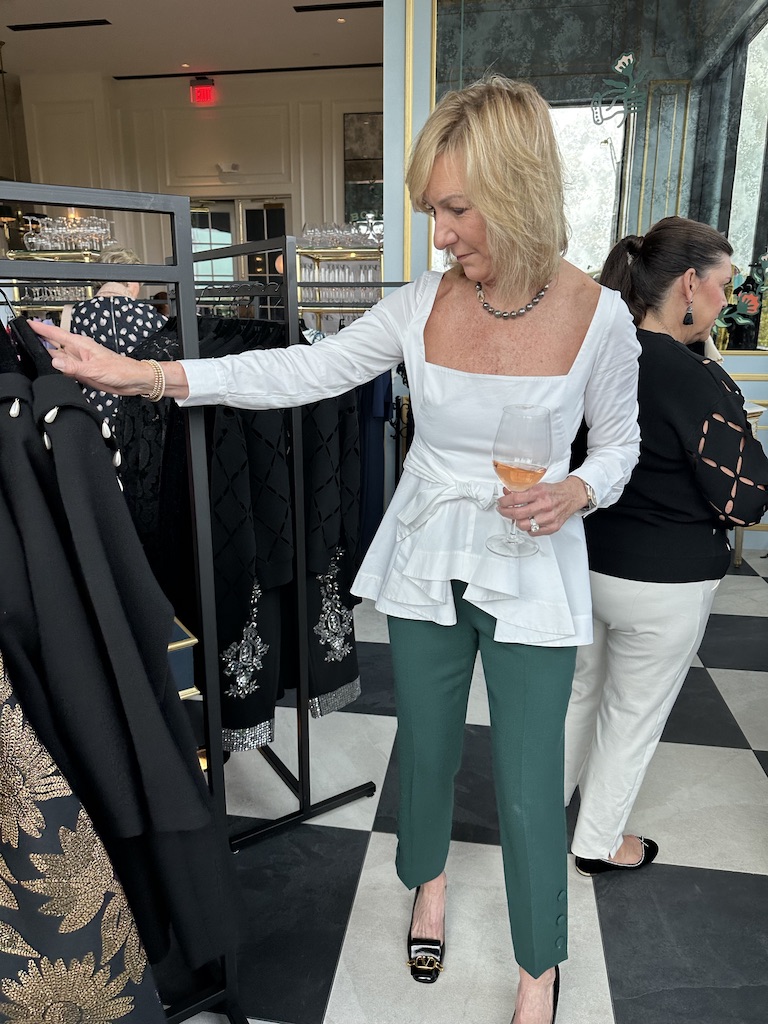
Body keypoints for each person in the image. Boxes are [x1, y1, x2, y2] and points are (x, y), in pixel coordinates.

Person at [30, 76, 642, 1024]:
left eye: (455, 209)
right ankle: (427, 883)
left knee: (528, 783)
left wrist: (578, 490)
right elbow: (302, 369)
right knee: (427, 748)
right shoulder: (421, 304)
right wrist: (147, 373)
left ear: (518, 189)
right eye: (432, 211)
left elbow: (621, 447)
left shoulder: (601, 318)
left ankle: (538, 967)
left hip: (534, 566)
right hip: (429, 552)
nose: (439, 235)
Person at [564, 216, 768, 877]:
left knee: (579, 694)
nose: (728, 299)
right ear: (688, 284)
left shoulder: (595, 353)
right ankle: (598, 843)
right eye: (723, 283)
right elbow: (745, 498)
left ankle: (537, 814)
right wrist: (718, 378)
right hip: (665, 582)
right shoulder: (693, 377)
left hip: (586, 561)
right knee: (631, 715)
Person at [63, 246, 168, 423]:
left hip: (92, 408)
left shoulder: (74, 312)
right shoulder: (151, 316)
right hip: (141, 408)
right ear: (131, 280)